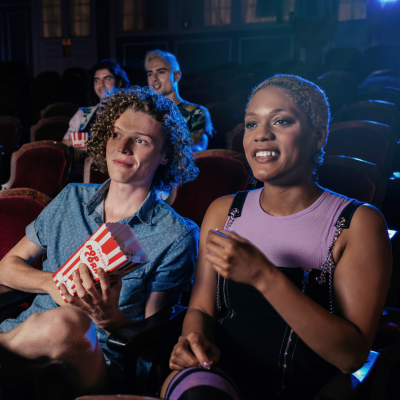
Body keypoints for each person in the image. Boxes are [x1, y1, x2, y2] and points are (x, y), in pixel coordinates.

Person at [161, 74, 392, 400]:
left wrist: (264, 276)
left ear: (318, 136)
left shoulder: (358, 223)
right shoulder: (224, 212)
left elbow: (350, 356)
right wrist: (193, 341)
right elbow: (201, 309)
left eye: (281, 121)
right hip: (218, 381)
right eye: (251, 124)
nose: (261, 135)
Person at [0, 86, 199, 399]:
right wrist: (51, 283)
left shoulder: (175, 235)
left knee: (68, 322)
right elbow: (6, 268)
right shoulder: (70, 198)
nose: (123, 147)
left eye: (141, 140)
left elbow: (154, 339)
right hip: (23, 341)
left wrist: (110, 318)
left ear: (165, 155)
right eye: (116, 134)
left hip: (102, 361)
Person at [145, 50, 213, 152]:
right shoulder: (144, 112)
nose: (154, 78)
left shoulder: (196, 112)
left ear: (177, 76)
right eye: (150, 74)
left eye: (161, 72)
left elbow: (199, 147)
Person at [62, 59, 130, 147]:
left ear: (119, 83)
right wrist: (84, 145)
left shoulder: (128, 114)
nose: (101, 84)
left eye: (107, 79)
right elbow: (64, 143)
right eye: (96, 80)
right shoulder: (82, 114)